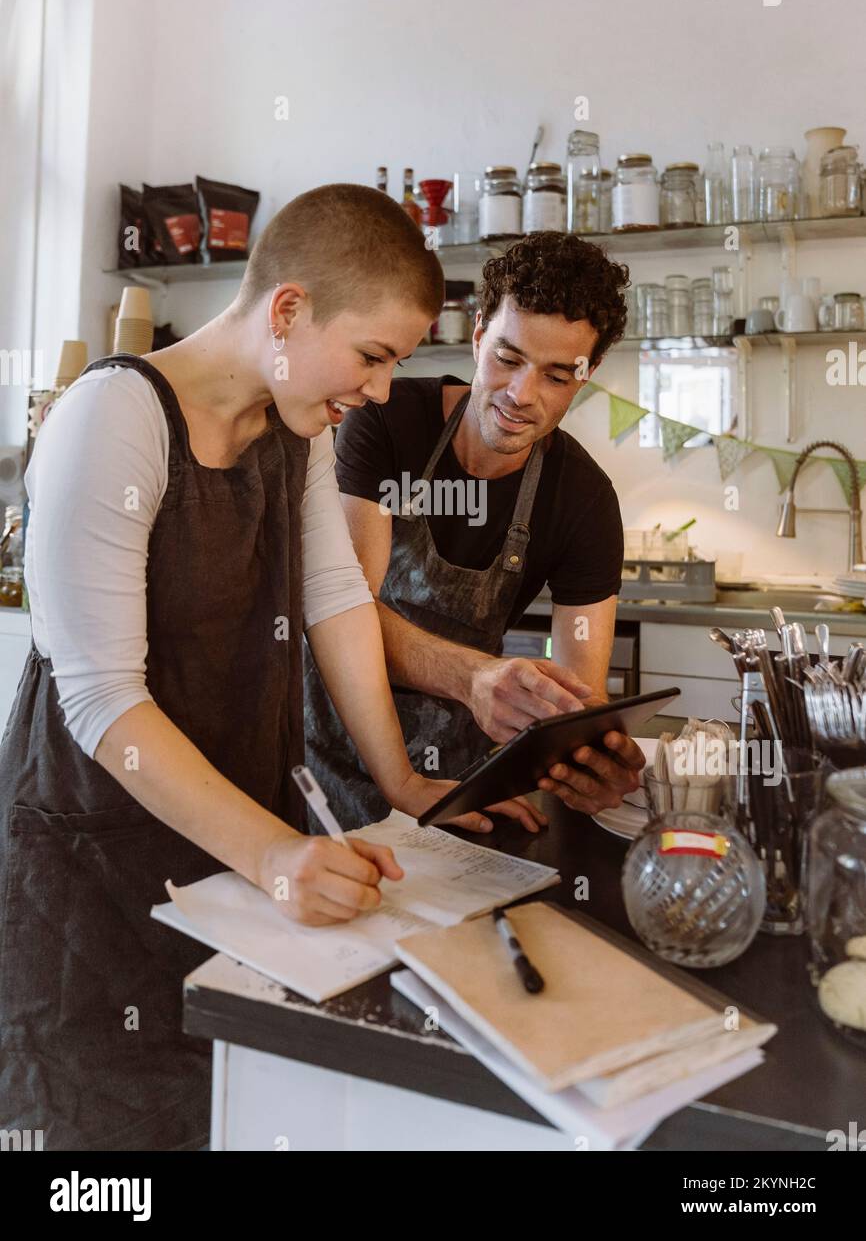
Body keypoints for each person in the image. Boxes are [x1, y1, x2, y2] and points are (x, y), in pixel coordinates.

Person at [0, 184, 537, 1152]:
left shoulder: (295, 420)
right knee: (99, 1127)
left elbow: (334, 597)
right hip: (92, 864)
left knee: (225, 1102)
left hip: (227, 845)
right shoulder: (111, 419)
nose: (378, 391)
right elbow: (103, 702)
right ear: (288, 310)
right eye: (372, 356)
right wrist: (274, 856)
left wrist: (401, 781)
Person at [304, 231, 646, 829]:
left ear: (588, 372)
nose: (521, 396)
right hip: (323, 758)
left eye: (557, 376)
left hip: (457, 784)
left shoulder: (584, 501)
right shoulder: (384, 420)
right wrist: (474, 677)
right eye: (508, 359)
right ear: (479, 331)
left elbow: (577, 699)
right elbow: (344, 609)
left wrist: (584, 758)